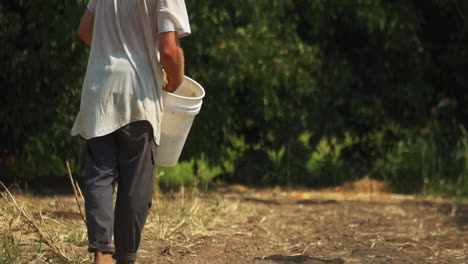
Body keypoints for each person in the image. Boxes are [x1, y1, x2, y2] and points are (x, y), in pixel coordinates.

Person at [71, 0, 191, 263]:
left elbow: (84, 30)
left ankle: (101, 252)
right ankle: (125, 258)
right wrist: (176, 77)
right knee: (136, 181)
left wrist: (111, 52)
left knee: (100, 174)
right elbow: (169, 51)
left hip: (100, 87)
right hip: (138, 94)